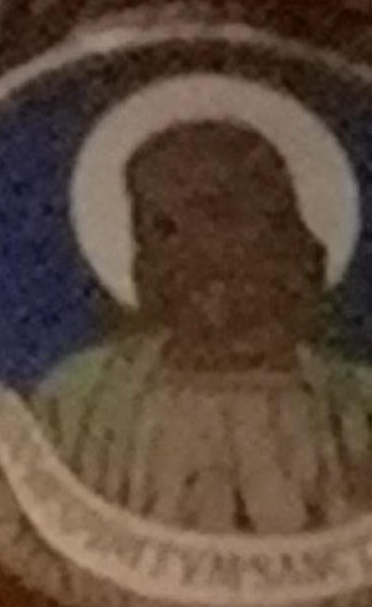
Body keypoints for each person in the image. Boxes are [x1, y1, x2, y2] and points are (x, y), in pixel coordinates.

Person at [31, 109, 372, 539]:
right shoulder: (78, 399)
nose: (192, 250)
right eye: (162, 228)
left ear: (285, 230)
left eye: (218, 214)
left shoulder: (359, 405)